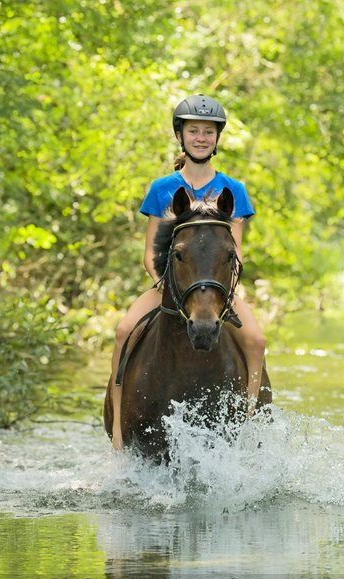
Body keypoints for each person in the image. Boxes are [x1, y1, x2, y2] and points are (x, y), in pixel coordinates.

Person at [110, 94, 266, 450]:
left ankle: (250, 426)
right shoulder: (162, 188)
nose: (200, 138)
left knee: (256, 341)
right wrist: (164, 286)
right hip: (169, 284)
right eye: (193, 131)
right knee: (122, 333)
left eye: (207, 132)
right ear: (181, 136)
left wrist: (227, 292)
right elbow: (152, 252)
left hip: (218, 288)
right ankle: (118, 432)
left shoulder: (233, 190)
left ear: (217, 139)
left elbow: (234, 250)